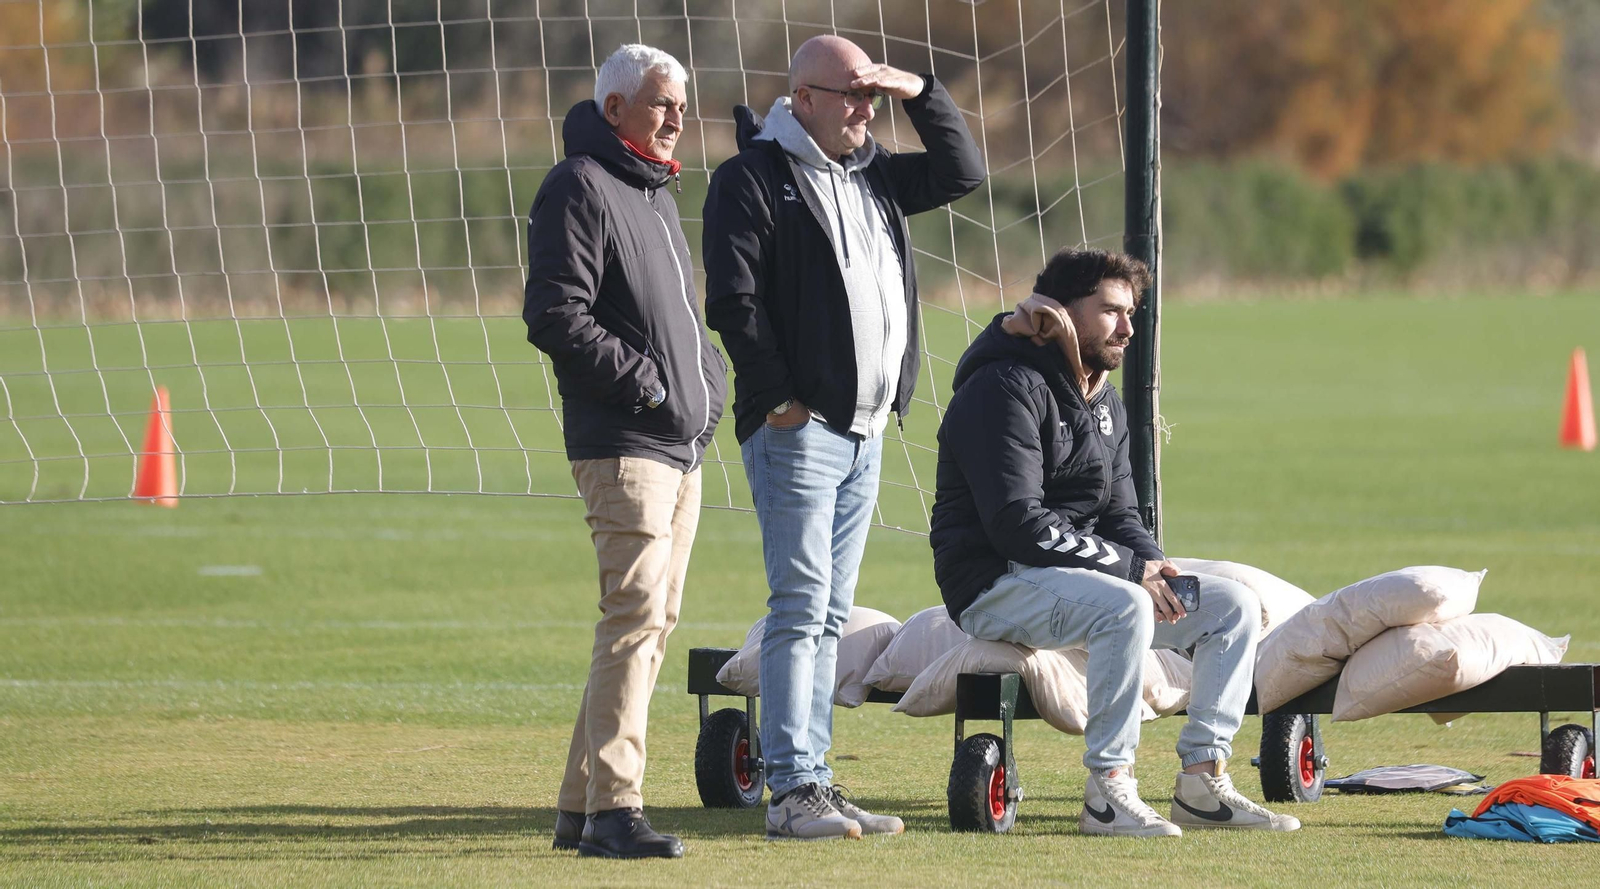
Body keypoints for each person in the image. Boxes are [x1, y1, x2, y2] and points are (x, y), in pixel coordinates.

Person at [703, 35, 985, 840]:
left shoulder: (874, 171)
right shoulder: (752, 177)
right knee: (799, 609)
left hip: (865, 434)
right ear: (802, 99)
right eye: (852, 94)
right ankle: (792, 790)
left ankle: (816, 779)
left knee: (830, 614)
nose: (866, 109)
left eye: (871, 96)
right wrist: (779, 397)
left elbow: (962, 170)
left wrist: (917, 89)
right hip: (800, 431)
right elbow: (735, 301)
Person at [929, 247, 1301, 837]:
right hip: (994, 582)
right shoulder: (1001, 387)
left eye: (1132, 312)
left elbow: (1120, 511)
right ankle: (1108, 792)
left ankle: (1202, 783)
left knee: (1231, 606)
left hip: (1078, 577)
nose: (1127, 327)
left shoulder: (1103, 400)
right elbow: (1016, 525)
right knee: (1125, 604)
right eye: (1110, 312)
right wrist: (1131, 573)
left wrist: (1152, 562)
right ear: (1060, 312)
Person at [523, 43, 726, 860]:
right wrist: (649, 388)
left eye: (682, 103)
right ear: (614, 109)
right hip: (626, 444)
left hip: (680, 448)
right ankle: (617, 809)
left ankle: (580, 807)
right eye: (660, 102)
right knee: (634, 619)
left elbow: (680, 322)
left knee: (648, 621)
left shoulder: (655, 193)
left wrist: (704, 391)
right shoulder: (580, 186)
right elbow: (555, 315)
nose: (678, 116)